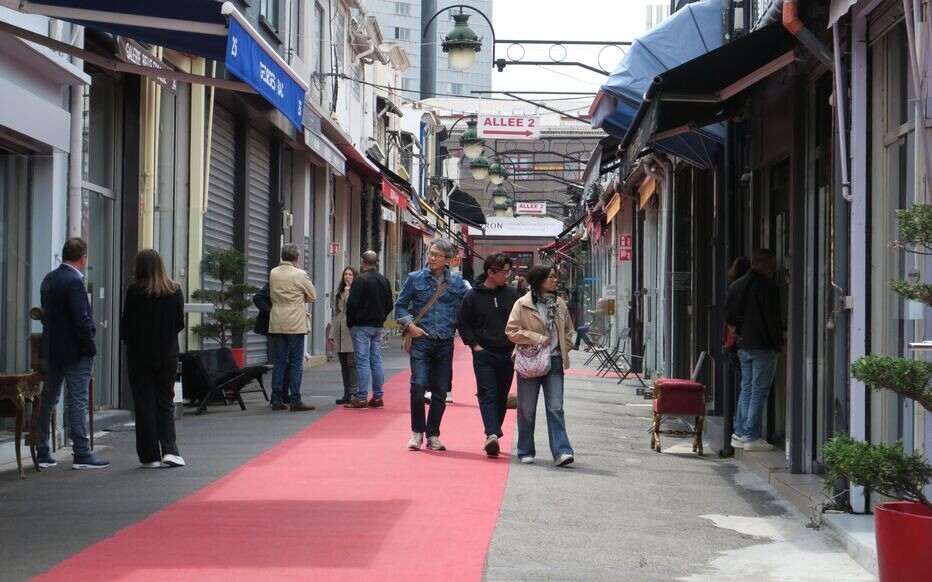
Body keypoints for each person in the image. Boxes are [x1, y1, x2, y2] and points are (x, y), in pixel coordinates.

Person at [35, 237, 110, 469]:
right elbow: (81, 318)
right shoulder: (75, 282)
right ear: (83, 258)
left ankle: (42, 450)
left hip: (52, 349)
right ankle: (81, 453)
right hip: (76, 352)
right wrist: (90, 347)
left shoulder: (49, 279)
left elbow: (46, 316)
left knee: (48, 398)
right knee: (77, 401)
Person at [396, 239, 470, 451]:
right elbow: (400, 306)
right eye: (430, 253)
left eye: (437, 255)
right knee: (418, 385)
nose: (432, 257)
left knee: (440, 391)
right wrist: (410, 326)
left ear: (448, 259)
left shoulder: (457, 283)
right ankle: (417, 432)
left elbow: (469, 305)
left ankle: (433, 434)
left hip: (445, 341)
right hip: (421, 339)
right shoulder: (414, 278)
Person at [120, 249, 186, 468]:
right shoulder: (174, 290)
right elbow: (179, 323)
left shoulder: (134, 291)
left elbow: (126, 325)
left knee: (144, 402)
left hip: (140, 354)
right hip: (167, 353)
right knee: (165, 401)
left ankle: (150, 456)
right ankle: (170, 450)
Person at [505, 264, 575, 467]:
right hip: (529, 360)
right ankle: (525, 450)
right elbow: (511, 331)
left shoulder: (560, 304)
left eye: (556, 276)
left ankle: (562, 451)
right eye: (551, 277)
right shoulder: (523, 304)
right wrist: (537, 338)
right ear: (539, 279)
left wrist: (564, 347)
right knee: (526, 409)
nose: (555, 280)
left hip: (553, 362)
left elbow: (568, 330)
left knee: (556, 408)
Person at [456, 253, 520, 456]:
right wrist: (474, 346)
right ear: (490, 272)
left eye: (508, 272)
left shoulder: (512, 295)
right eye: (504, 272)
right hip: (484, 353)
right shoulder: (472, 296)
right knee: (488, 393)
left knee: (501, 396)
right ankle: (492, 433)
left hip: (508, 353)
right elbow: (463, 323)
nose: (507, 276)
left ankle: (493, 435)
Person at [724, 249, 782, 452]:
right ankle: (751, 436)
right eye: (772, 265)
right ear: (765, 264)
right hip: (763, 345)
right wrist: (778, 344)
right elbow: (772, 320)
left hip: (743, 345)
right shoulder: (768, 288)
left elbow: (728, 317)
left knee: (746, 388)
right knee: (759, 391)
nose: (774, 269)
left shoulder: (736, 286)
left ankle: (739, 433)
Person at [268, 243, 317, 412]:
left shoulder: (273, 273)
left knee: (279, 361)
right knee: (296, 361)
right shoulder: (300, 274)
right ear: (297, 258)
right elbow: (312, 296)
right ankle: (295, 398)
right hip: (295, 322)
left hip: (276, 320)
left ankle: (276, 398)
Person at [345, 251, 393, 409]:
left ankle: (361, 397)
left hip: (361, 326)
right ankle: (378, 397)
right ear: (377, 262)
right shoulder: (383, 280)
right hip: (377, 326)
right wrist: (381, 318)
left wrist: (351, 322)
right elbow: (389, 304)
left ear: (362, 261)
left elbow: (351, 304)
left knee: (362, 362)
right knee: (376, 361)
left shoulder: (360, 280)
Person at [330, 266, 360, 405]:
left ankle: (354, 392)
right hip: (339, 328)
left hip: (350, 330)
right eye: (345, 274)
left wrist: (349, 294)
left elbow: (354, 307)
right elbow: (336, 312)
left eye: (350, 274)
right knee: (343, 364)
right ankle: (346, 392)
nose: (347, 276)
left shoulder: (357, 291)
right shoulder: (339, 292)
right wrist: (331, 332)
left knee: (351, 363)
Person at [253, 282, 286, 404]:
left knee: (284, 360)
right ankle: (278, 396)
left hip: (288, 324)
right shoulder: (276, 280)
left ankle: (281, 395)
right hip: (278, 325)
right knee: (282, 360)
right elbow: (257, 298)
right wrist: (272, 313)